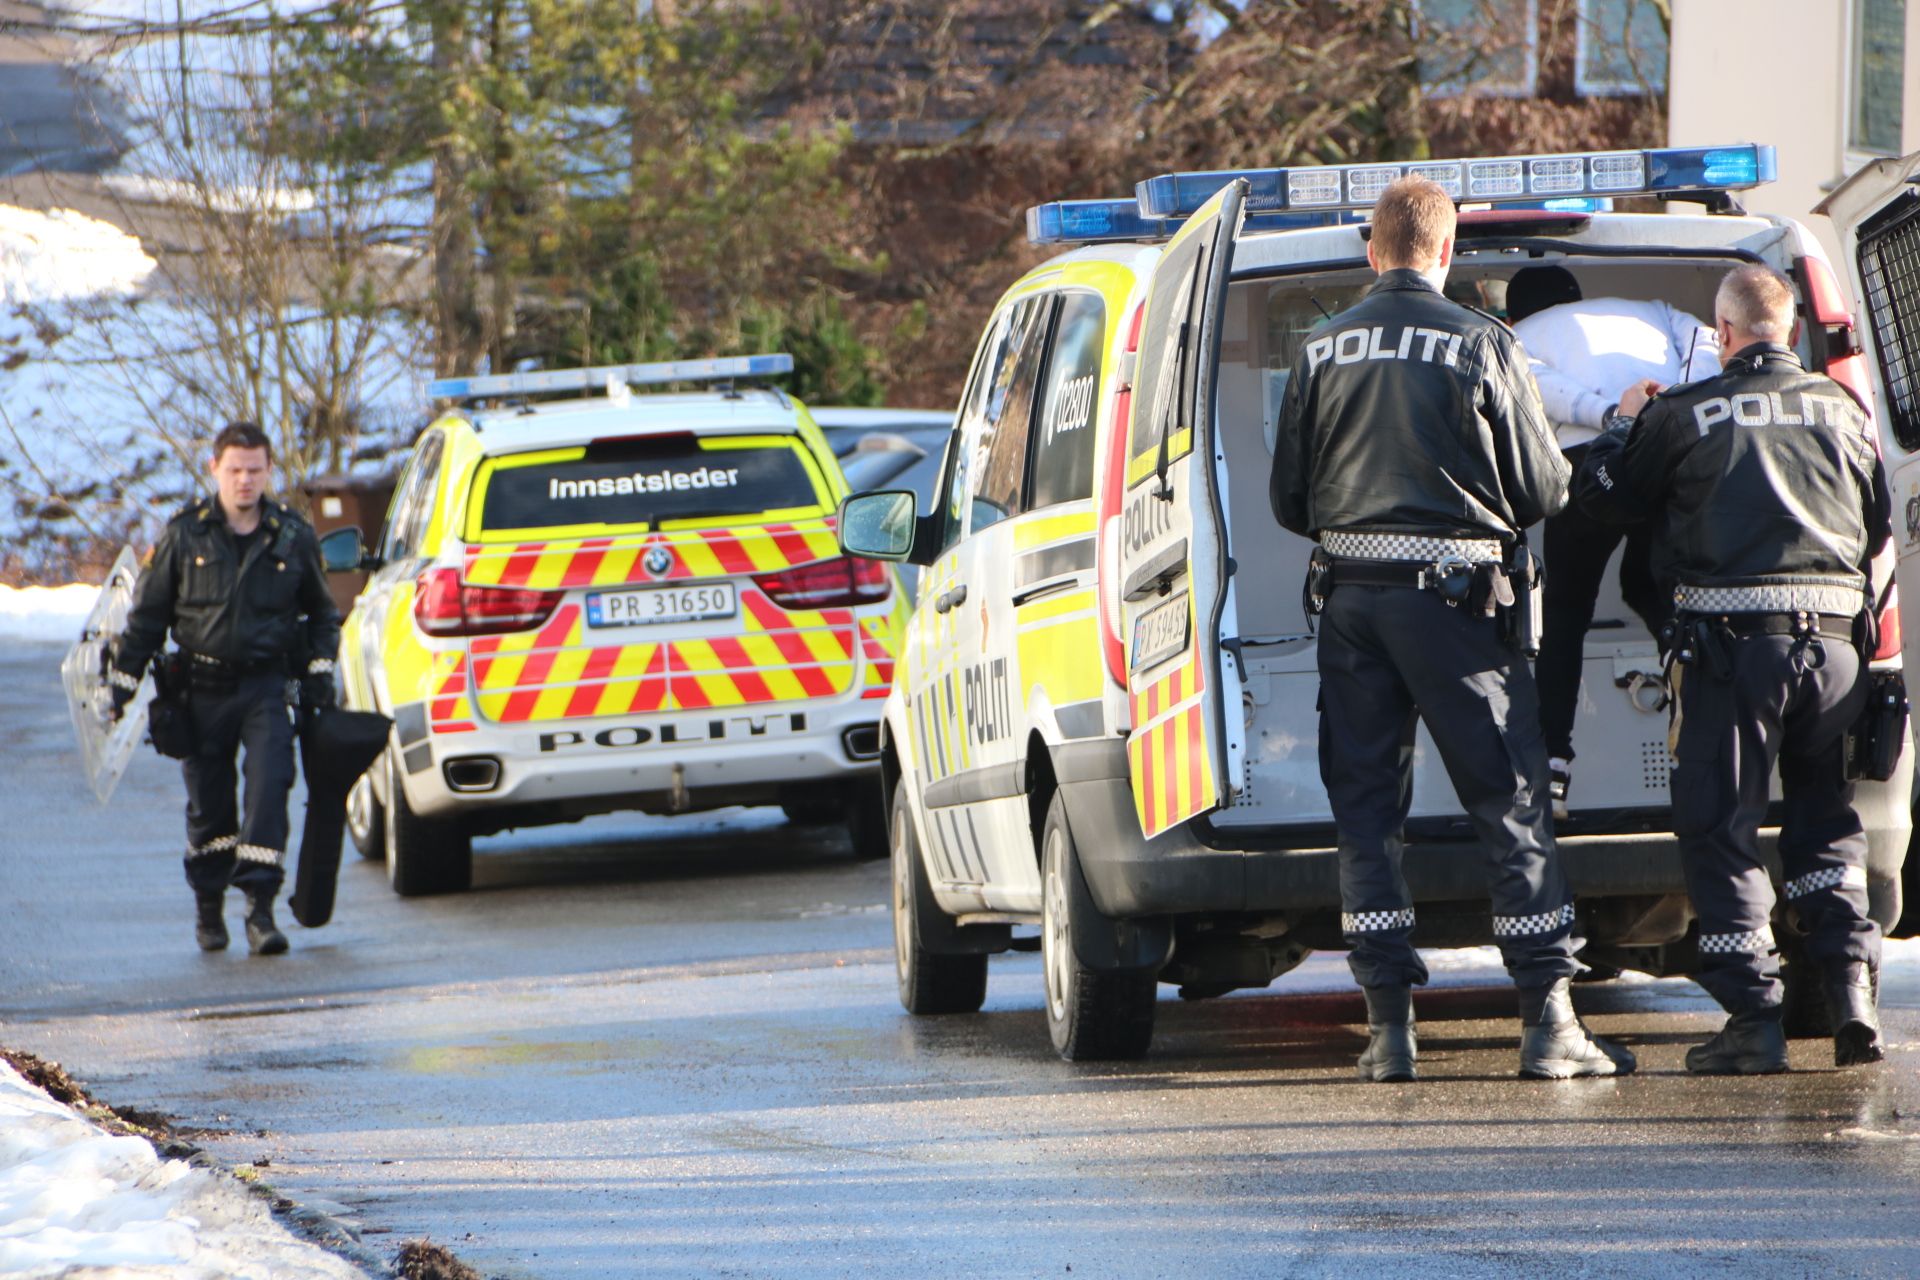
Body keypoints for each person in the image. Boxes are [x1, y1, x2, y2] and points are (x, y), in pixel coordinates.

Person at [1271, 176, 1634, 1082]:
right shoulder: (1483, 341)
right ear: (1446, 251)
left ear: (1372, 251)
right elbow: (1544, 490)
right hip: (1458, 607)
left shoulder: (1320, 346)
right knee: (1509, 805)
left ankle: (1388, 1033)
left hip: (1351, 605)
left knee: (1366, 816)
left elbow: (1289, 500)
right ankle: (1550, 1024)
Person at [1575, 264, 1890, 1074]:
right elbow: (1879, 522)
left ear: (1722, 333)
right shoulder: (1843, 408)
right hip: (1836, 655)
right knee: (1827, 821)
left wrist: (1623, 423)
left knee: (1722, 827)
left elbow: (1608, 495)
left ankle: (1753, 1017)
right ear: (1791, 330)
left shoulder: (1686, 413)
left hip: (1733, 654)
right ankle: (1852, 997)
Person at [108, 421, 341, 956]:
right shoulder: (184, 534)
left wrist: (319, 669)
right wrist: (122, 680)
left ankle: (260, 911)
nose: (245, 480)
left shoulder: (292, 536)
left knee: (270, 788)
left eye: (255, 470)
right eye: (235, 470)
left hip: (266, 685)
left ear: (269, 470)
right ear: (214, 468)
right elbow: (148, 617)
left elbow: (323, 613)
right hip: (200, 688)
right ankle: (209, 907)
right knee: (209, 807)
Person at [1506, 265, 1720, 818]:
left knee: (1566, 611)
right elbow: (1706, 339)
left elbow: (1537, 385)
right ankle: (1691, 691)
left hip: (1588, 460)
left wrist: (1609, 415)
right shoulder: (1656, 309)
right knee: (1654, 587)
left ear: (1514, 313)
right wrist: (1676, 402)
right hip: (1667, 450)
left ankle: (1553, 766)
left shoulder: (1517, 335)